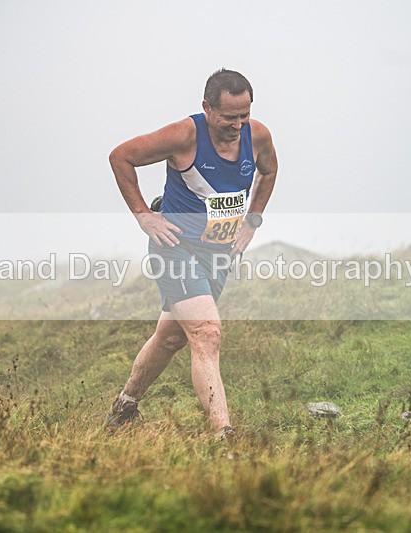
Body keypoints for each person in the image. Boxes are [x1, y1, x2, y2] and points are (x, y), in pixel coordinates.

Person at [105, 69, 278, 438]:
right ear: (207, 108)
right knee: (207, 333)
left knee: (170, 337)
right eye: (229, 117)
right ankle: (223, 436)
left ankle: (124, 407)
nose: (238, 125)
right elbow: (121, 157)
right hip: (174, 247)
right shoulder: (185, 135)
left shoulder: (257, 135)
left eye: (244, 115)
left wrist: (253, 221)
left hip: (217, 254)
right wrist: (145, 217)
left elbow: (270, 169)